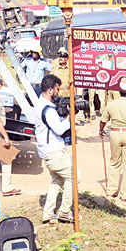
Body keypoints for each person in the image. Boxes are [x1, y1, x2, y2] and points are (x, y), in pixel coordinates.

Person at [35, 75, 80, 224]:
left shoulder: (41, 105)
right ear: (50, 90)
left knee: (57, 180)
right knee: (75, 176)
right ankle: (65, 212)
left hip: (48, 151)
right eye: (57, 89)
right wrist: (69, 118)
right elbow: (60, 129)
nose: (58, 91)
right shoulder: (48, 109)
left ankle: (48, 213)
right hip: (53, 152)